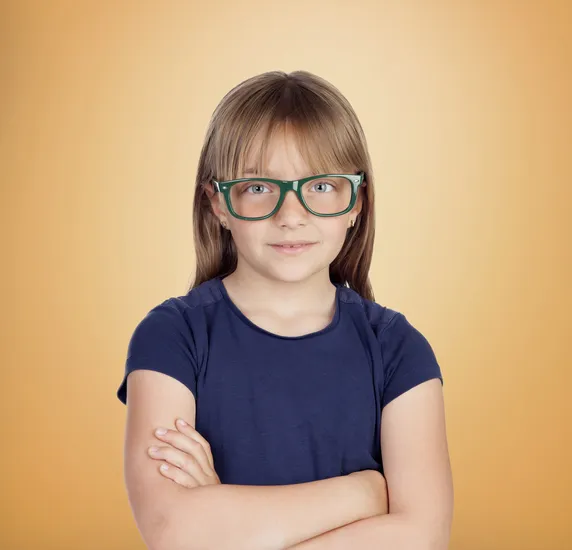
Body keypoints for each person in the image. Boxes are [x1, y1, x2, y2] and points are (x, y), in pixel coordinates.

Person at [116, 70, 453, 550]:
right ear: (218, 203)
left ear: (357, 201)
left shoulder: (399, 350)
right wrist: (366, 493)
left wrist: (227, 523)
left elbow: (423, 538)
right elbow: (175, 533)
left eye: (320, 186)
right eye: (257, 187)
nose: (290, 215)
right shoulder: (172, 338)